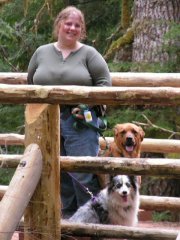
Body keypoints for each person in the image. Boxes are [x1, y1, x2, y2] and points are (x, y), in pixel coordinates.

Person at [27, 6, 112, 218]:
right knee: (59, 174)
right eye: (68, 23)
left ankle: (89, 222)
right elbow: (29, 83)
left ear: (82, 30)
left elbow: (105, 85)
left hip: (79, 121)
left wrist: (87, 107)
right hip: (45, 119)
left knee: (82, 173)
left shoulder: (89, 54)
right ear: (59, 25)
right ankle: (67, 223)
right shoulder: (42, 52)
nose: (72, 28)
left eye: (77, 25)